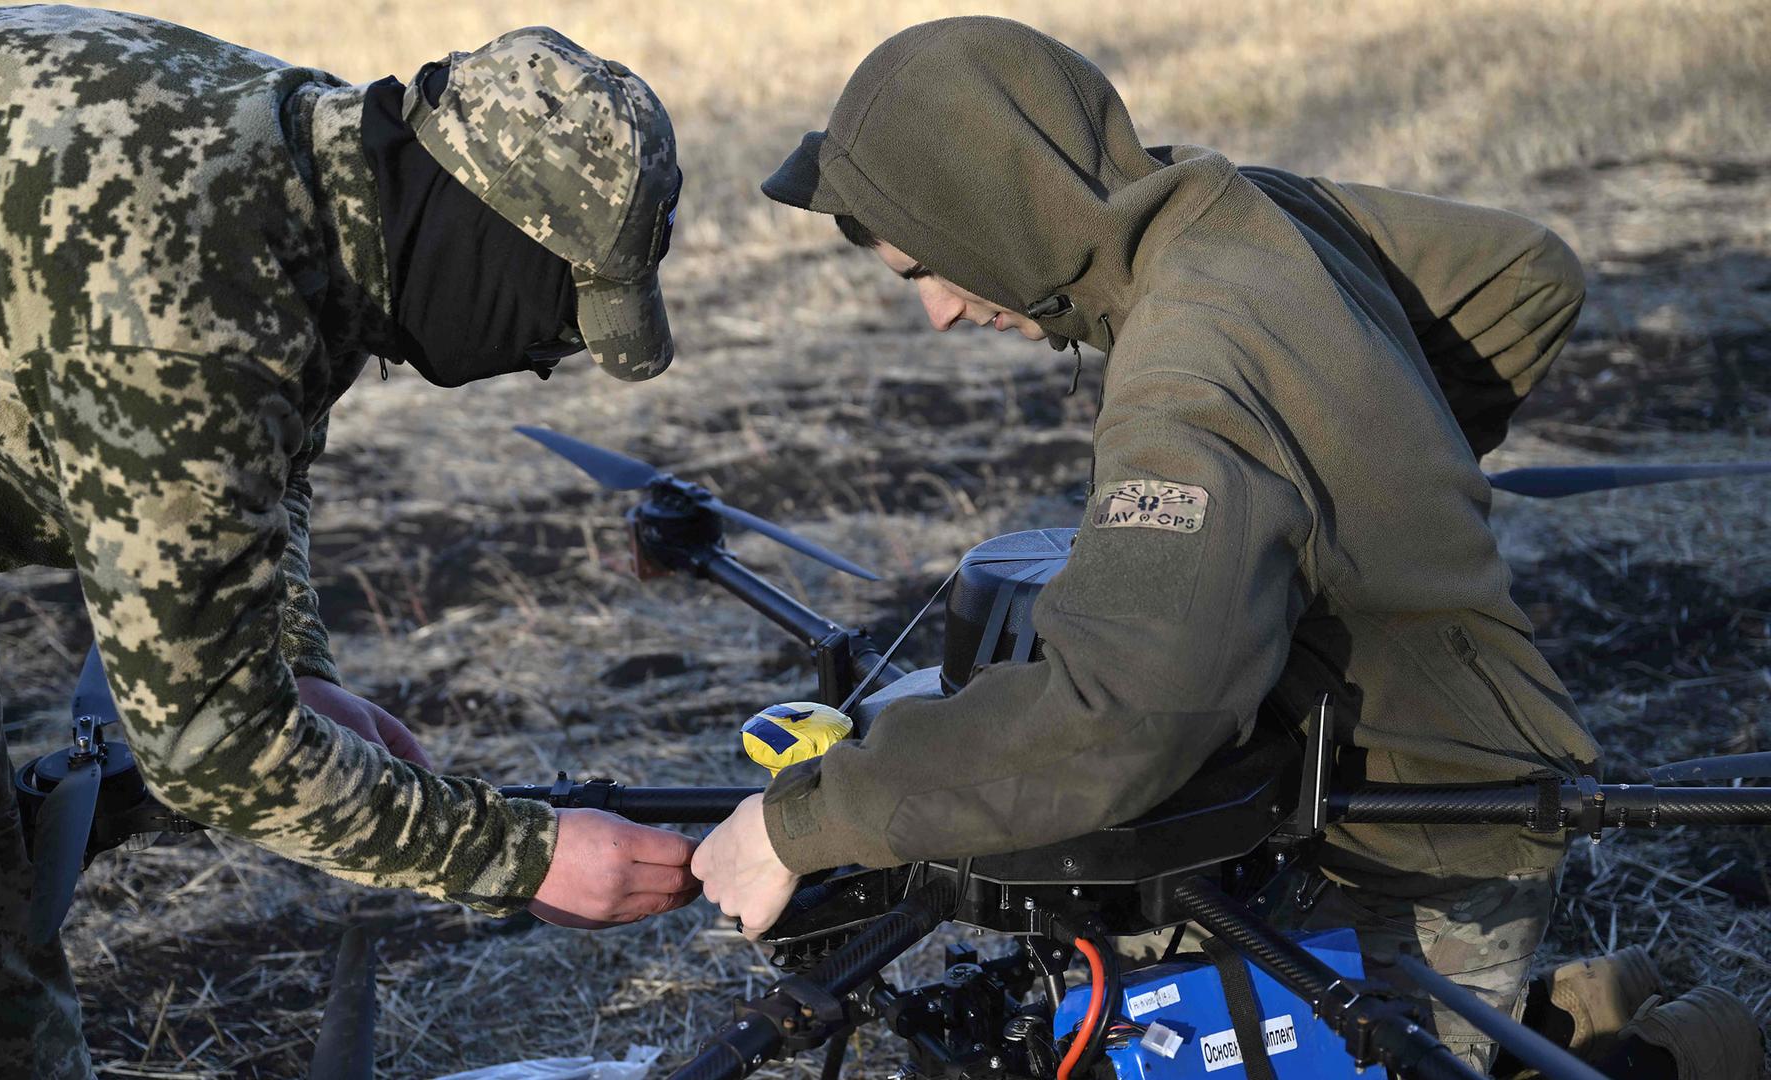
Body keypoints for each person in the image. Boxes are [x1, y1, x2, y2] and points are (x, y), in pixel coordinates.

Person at [692, 15, 1620, 1074]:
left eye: (927, 271)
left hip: (1421, 840)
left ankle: (1648, 1047)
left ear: (998, 213)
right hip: (1314, 795)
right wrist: (1353, 478)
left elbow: (1115, 718)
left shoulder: (1189, 374)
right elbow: (1523, 273)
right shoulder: (1237, 213)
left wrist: (799, 824)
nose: (940, 315)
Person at [0, 8, 695, 1076]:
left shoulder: (320, 159)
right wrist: (518, 855)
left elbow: (263, 453)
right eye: (562, 313)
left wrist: (293, 667)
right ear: (489, 232)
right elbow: (206, 746)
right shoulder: (187, 298)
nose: (547, 357)